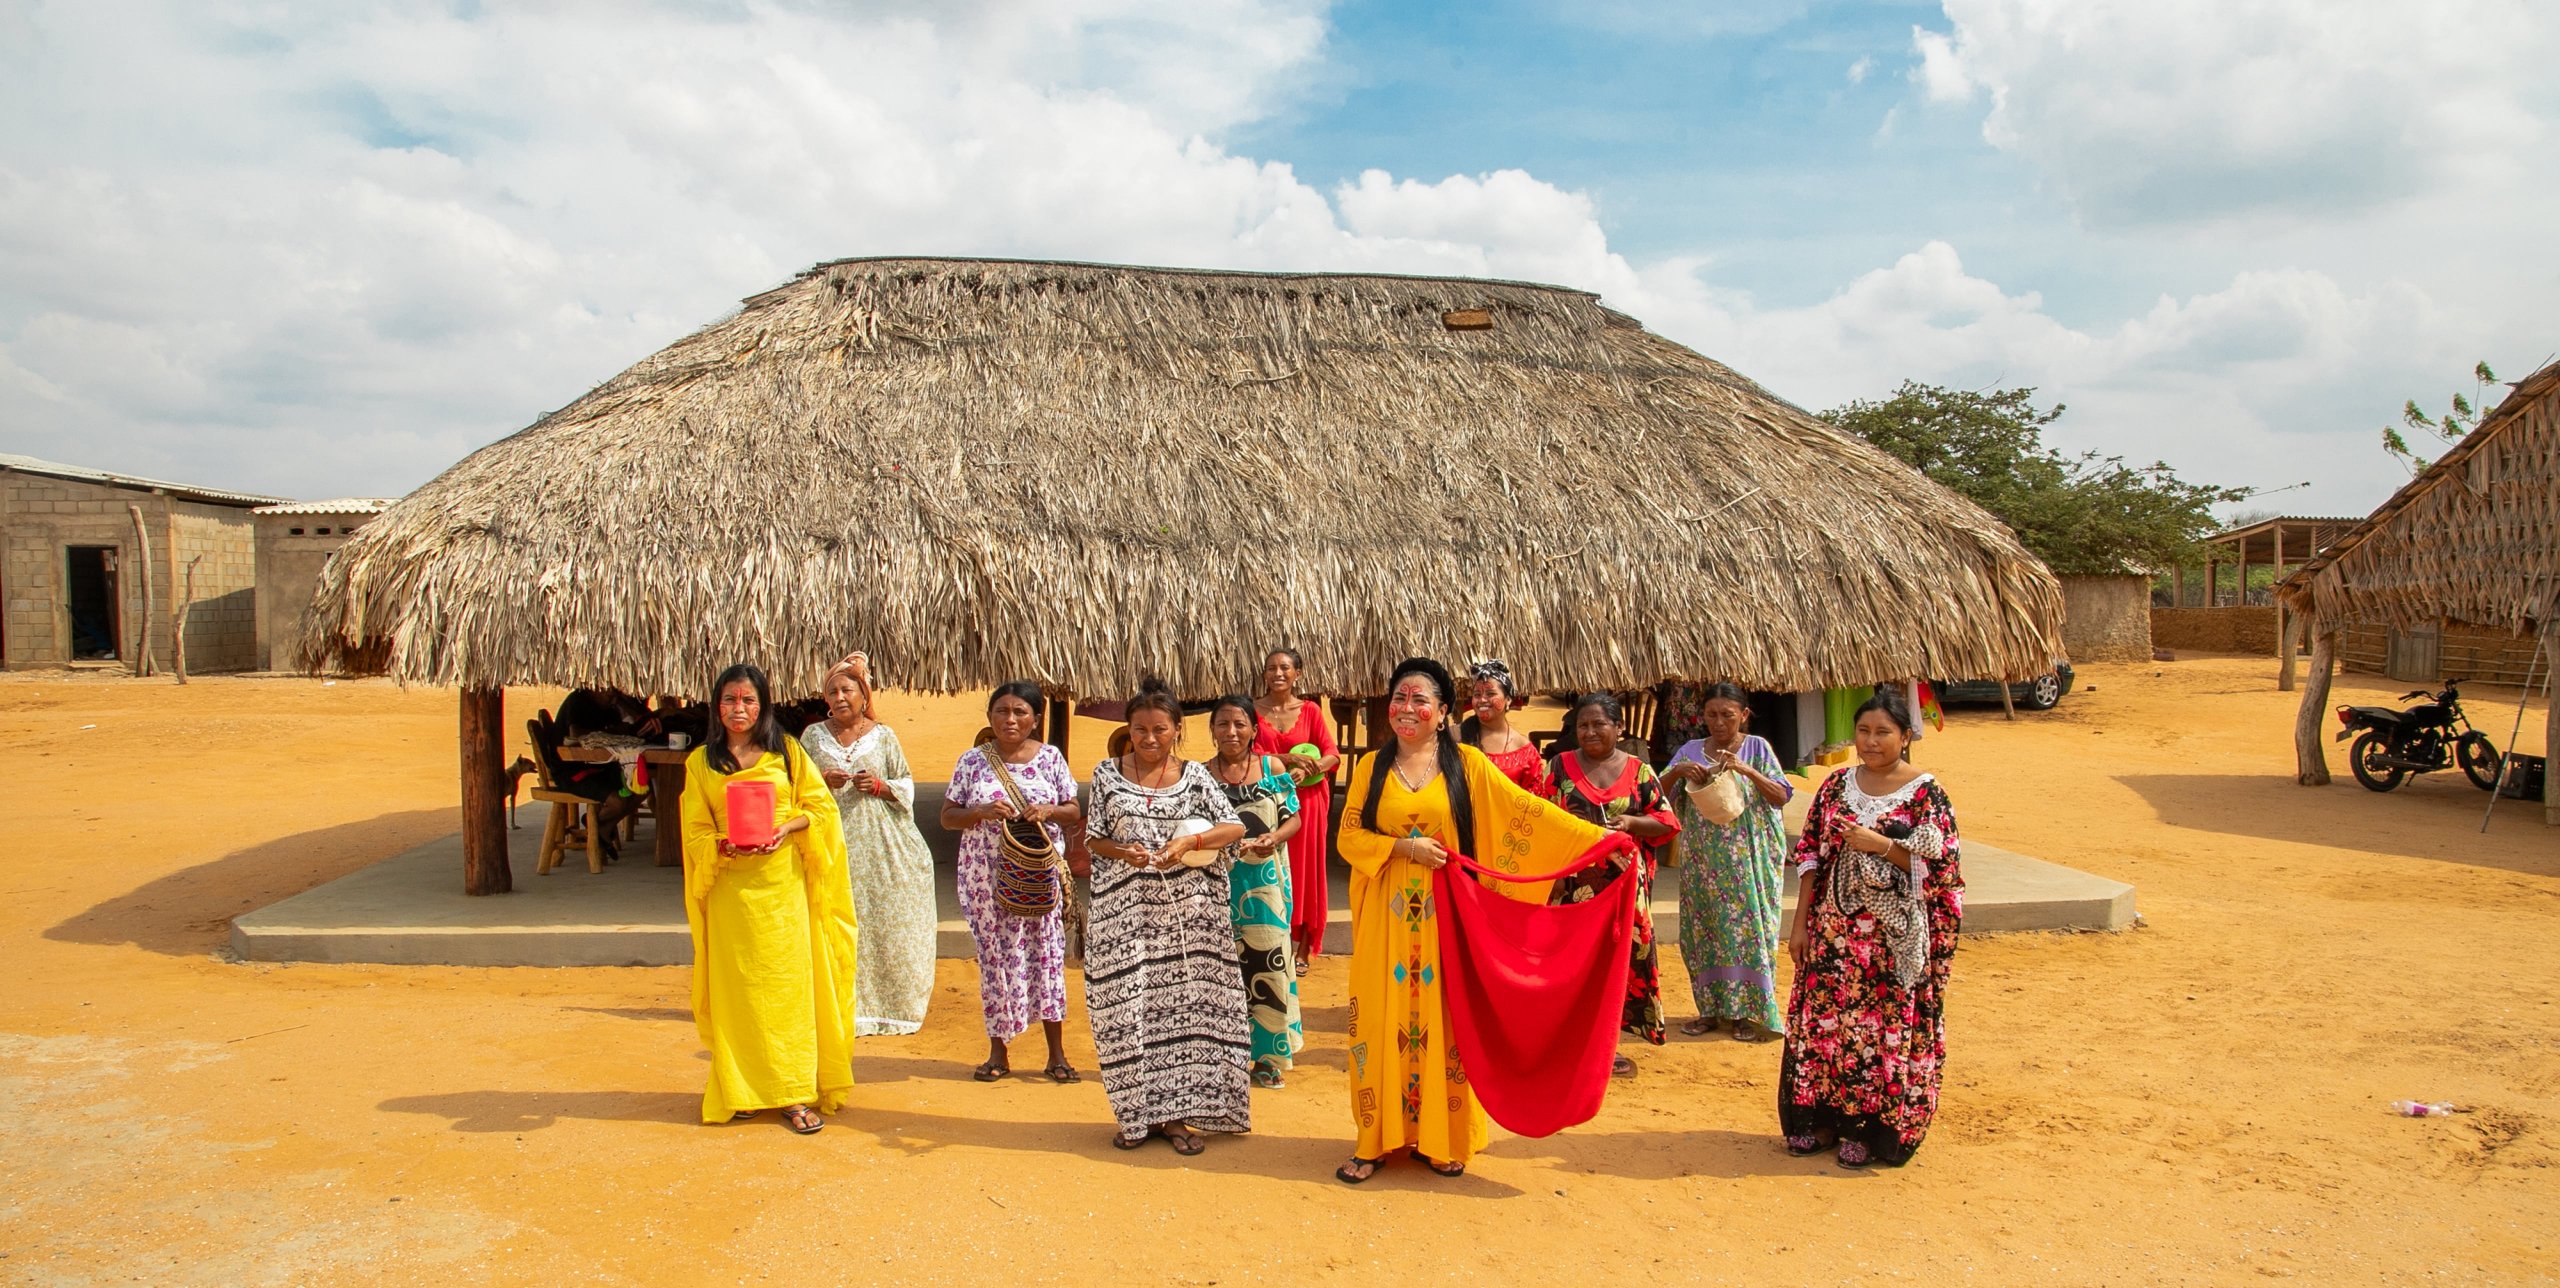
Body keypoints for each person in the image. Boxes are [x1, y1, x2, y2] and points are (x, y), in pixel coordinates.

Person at [1333, 657, 1610, 1184]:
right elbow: (1349, 837)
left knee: (1448, 1023)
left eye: (1420, 701)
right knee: (1377, 1020)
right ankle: (1374, 1139)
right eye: (1399, 698)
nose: (1406, 709)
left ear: (1441, 712)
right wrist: (1402, 847)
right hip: (1384, 925)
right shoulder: (1371, 767)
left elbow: (1527, 817)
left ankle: (1444, 1138)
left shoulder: (1469, 766)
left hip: (1448, 918)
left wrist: (1597, 841)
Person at [1779, 691, 1963, 1168]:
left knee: (1877, 1031)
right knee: (1829, 1026)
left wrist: (1879, 845)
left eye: (1883, 732)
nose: (1872, 741)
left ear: (1905, 736)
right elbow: (1810, 857)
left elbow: (1941, 869)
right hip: (1834, 938)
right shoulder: (1836, 785)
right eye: (1864, 731)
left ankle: (1868, 1128)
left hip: (1889, 944)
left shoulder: (1926, 793)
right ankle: (1821, 1122)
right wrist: (1800, 925)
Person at [678, 663, 858, 1134]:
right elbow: (695, 829)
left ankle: (795, 1093)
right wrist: (721, 843)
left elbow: (819, 809)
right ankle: (740, 1091)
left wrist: (785, 828)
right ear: (717, 706)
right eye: (731, 700)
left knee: (788, 993)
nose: (740, 709)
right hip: (731, 895)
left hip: (782, 895)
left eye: (749, 700)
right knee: (737, 995)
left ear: (763, 705)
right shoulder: (701, 763)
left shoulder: (789, 753)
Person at [1081, 680, 1252, 1154]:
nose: (1150, 739)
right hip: (1124, 919)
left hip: (1188, 923)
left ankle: (1177, 1119)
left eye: (1160, 729)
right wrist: (1123, 851)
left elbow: (1234, 827)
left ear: (1178, 729)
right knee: (1128, 1013)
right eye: (1140, 730)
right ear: (1128, 730)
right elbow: (1094, 838)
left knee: (1180, 1016)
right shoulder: (1106, 774)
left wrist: (1189, 843)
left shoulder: (1196, 778)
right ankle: (1136, 1117)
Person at [940, 682, 1082, 1084]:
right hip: (986, 878)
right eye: (1002, 711)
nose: (1011, 719)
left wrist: (1049, 809)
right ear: (990, 717)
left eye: (1020, 712)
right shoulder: (972, 762)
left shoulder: (1051, 758)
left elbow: (1073, 809)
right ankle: (998, 1052)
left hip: (1038, 876)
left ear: (1035, 719)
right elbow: (948, 816)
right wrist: (980, 811)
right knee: (995, 959)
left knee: (1048, 958)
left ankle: (1056, 1055)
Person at [798, 652, 935, 1037]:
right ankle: (839, 1006)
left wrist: (879, 786)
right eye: (832, 691)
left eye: (847, 689)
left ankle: (890, 1006)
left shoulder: (884, 735)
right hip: (830, 838)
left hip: (881, 843)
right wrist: (823, 779)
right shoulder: (812, 736)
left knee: (879, 920)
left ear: (863, 694)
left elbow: (905, 782)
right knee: (833, 918)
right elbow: (795, 785)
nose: (840, 697)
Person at [1542, 693, 1678, 1074]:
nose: (1589, 732)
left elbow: (1667, 823)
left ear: (1619, 728)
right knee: (1573, 966)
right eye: (1582, 725)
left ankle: (1607, 1047)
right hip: (1572, 893)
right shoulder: (1559, 767)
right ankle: (1569, 1044)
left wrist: (1632, 824)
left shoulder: (1639, 772)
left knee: (1615, 970)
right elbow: (1541, 820)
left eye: (1599, 724)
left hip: (1622, 894)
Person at [1659, 683, 1794, 1041]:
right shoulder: (1689, 750)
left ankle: (1746, 1013)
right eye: (1711, 715)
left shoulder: (1757, 748)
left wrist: (1747, 771)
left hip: (1750, 859)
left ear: (1744, 715)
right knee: (1705, 931)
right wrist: (1678, 772)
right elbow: (1658, 795)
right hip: (1704, 861)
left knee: (1749, 932)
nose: (1718, 723)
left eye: (1727, 715)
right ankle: (1710, 1010)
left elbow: (1781, 795)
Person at [1205, 693, 1305, 1088]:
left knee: (1268, 967)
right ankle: (1221, 1057)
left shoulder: (1271, 767)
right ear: (1212, 730)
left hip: (1264, 889)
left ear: (1253, 729)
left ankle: (1267, 1059)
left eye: (1239, 724)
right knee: (1218, 971)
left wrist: (1274, 837)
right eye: (1222, 724)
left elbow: (1293, 819)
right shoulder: (1198, 775)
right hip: (1215, 888)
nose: (1231, 732)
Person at [1251, 648, 1340, 969]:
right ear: (1263, 674)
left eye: (1285, 668)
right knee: (1271, 866)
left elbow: (1332, 753)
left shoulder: (1311, 711)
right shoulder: (1252, 711)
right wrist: (1287, 761)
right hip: (1267, 800)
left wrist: (1312, 768)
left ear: (1297, 674)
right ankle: (1272, 939)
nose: (1278, 673)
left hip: (1309, 800)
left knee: (1305, 870)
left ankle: (1303, 946)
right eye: (1271, 668)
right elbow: (1249, 754)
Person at [1459, 658, 1549, 796]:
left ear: (1508, 699)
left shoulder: (1524, 751)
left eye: (1490, 694)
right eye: (1477, 694)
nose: (1482, 700)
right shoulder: (1455, 737)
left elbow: (1535, 803)